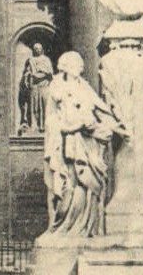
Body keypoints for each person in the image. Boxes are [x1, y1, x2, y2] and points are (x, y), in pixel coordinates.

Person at [42, 51, 126, 238]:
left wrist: (118, 125)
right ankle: (63, 226)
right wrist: (74, 126)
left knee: (92, 184)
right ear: (66, 67)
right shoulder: (57, 88)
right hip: (71, 143)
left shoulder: (84, 86)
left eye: (81, 65)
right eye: (77, 64)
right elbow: (51, 122)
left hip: (90, 141)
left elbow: (101, 108)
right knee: (70, 186)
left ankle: (89, 227)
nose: (81, 67)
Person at [18, 43, 54, 133]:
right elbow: (26, 72)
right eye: (35, 49)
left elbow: (50, 73)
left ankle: (44, 126)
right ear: (33, 50)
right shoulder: (30, 60)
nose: (37, 50)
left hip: (44, 85)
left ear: (42, 50)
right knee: (33, 105)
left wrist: (39, 74)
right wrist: (28, 75)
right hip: (34, 86)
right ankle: (33, 125)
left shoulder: (46, 60)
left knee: (44, 105)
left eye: (39, 48)